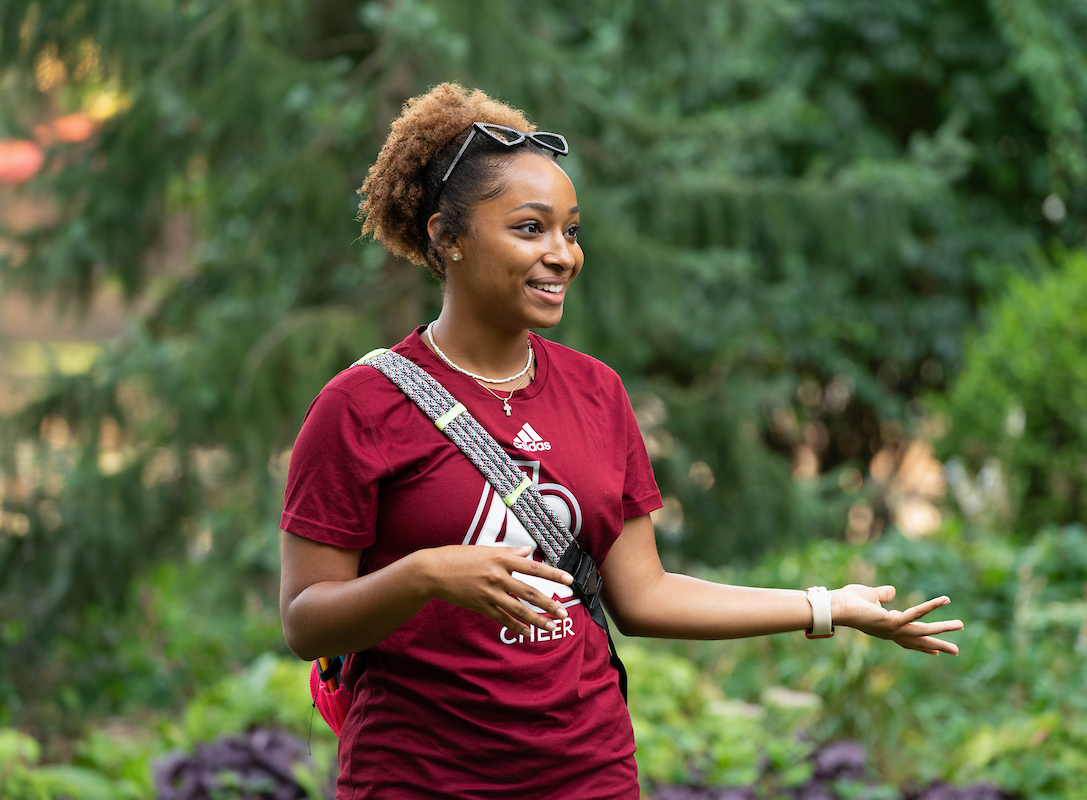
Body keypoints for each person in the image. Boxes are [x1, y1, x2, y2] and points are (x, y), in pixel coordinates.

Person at [279, 83, 963, 800]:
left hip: (587, 772)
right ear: (447, 237)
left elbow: (645, 596)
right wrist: (425, 576)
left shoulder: (597, 392)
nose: (562, 255)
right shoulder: (359, 406)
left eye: (571, 231)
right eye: (529, 228)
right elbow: (306, 623)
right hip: (417, 779)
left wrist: (830, 606)